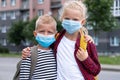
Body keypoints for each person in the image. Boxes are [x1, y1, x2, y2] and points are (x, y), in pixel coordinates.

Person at [22, 0, 101, 80]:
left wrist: (86, 59)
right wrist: (28, 51)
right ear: (62, 19)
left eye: (75, 19)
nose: (70, 22)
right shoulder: (57, 39)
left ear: (82, 22)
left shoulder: (87, 43)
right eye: (67, 18)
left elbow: (96, 70)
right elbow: (43, 44)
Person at [19, 14, 57, 80]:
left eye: (50, 32)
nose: (45, 35)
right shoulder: (29, 53)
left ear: (55, 35)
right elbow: (23, 77)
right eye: (42, 31)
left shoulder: (57, 52)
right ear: (35, 34)